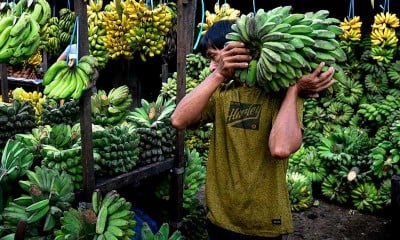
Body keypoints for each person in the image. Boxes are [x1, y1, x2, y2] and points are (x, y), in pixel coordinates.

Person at [170, 20, 335, 239]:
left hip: (264, 222)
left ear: (235, 49)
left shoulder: (281, 94)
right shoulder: (222, 92)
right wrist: (218, 74)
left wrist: (294, 89)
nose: (210, 66)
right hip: (219, 217)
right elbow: (178, 120)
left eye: (212, 57)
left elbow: (281, 148)